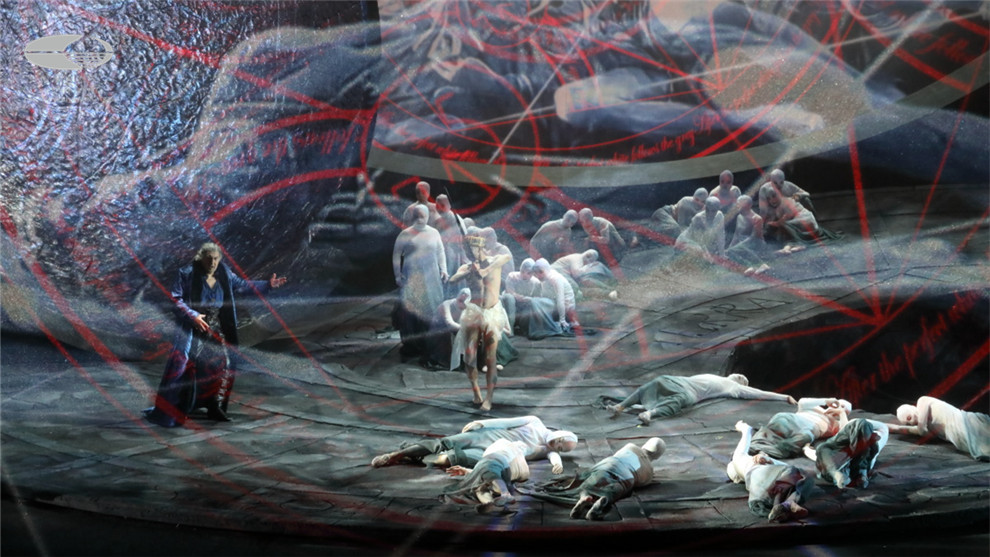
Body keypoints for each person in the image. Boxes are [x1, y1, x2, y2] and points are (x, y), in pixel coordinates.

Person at [144, 242, 287, 427]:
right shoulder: (186, 273)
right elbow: (175, 299)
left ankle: (215, 406)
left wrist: (267, 285)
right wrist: (193, 316)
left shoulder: (224, 273)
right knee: (186, 367)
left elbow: (242, 286)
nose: (212, 262)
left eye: (215, 259)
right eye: (209, 259)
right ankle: (175, 410)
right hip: (194, 328)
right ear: (200, 258)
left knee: (224, 364)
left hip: (216, 326)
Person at [522, 437, 666, 521]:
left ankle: (584, 496)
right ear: (658, 455)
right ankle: (600, 503)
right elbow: (639, 484)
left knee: (588, 482)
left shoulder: (630, 446)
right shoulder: (649, 471)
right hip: (626, 476)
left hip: (608, 464)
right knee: (615, 490)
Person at [369, 415, 578, 472]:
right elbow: (507, 422)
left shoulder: (546, 451)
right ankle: (395, 455)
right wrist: (481, 423)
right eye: (561, 441)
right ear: (560, 433)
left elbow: (554, 456)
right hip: (487, 436)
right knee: (445, 443)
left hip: (490, 453)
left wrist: (557, 463)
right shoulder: (535, 422)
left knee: (446, 460)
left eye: (561, 448)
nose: (557, 445)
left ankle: (414, 456)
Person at [448, 232, 513, 410]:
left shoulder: (495, 260)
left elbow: (506, 257)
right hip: (474, 312)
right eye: (466, 251)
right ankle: (476, 392)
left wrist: (485, 269)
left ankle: (489, 398)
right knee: (469, 355)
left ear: (480, 247)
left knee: (491, 357)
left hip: (491, 312)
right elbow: (452, 279)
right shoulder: (468, 267)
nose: (469, 254)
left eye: (471, 250)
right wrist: (467, 272)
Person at [598, 373, 796, 425]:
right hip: (679, 383)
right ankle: (622, 407)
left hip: (686, 390)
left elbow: (757, 393)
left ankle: (648, 413)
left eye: (741, 378)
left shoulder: (733, 387)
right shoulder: (719, 378)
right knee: (654, 386)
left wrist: (784, 397)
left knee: (673, 399)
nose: (738, 376)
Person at [392, 205, 448, 365]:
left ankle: (429, 343)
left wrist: (443, 269)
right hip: (412, 278)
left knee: (431, 308)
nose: (420, 218)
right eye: (418, 215)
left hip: (431, 279)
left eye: (423, 215)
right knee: (411, 311)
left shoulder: (434, 233)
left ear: (428, 216)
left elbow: (440, 252)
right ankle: (412, 345)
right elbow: (396, 255)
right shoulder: (406, 234)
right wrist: (397, 275)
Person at [728, 421, 812, 523]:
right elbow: (789, 468)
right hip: (770, 480)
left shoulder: (748, 474)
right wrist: (744, 428)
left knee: (794, 480)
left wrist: (768, 459)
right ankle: (787, 503)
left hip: (763, 492)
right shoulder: (742, 462)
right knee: (801, 477)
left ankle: (784, 504)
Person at [888, 396, 990, 461]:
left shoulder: (922, 401)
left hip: (966, 421)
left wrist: (919, 430)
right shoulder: (925, 427)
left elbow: (921, 429)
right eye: (908, 423)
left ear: (911, 408)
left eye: (909, 418)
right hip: (960, 437)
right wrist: (882, 426)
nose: (911, 423)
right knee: (984, 449)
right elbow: (899, 428)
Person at [440, 439, 530, 513]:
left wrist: (468, 471)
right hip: (501, 468)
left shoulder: (505, 445)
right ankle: (495, 501)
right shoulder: (521, 463)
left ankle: (501, 495)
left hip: (494, 462)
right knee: (484, 481)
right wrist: (467, 471)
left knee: (482, 484)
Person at [748, 398, 852, 459]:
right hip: (793, 420)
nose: (839, 408)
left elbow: (846, 432)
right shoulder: (816, 409)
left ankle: (769, 451)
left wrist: (842, 413)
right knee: (780, 419)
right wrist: (825, 400)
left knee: (804, 437)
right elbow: (802, 402)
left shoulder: (835, 424)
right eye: (840, 405)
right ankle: (759, 445)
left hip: (806, 432)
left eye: (844, 408)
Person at [803, 418, 889, 489]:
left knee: (880, 429)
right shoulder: (835, 449)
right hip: (856, 434)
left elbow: (819, 451)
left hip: (857, 431)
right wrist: (862, 475)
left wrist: (806, 449)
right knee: (880, 429)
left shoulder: (829, 451)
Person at [758, 182, 840, 252]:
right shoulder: (777, 208)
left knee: (785, 226)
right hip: (797, 223)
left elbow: (785, 219)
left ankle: (799, 244)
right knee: (783, 229)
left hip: (805, 221)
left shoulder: (786, 201)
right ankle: (787, 247)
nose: (772, 200)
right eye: (769, 199)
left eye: (774, 196)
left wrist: (773, 223)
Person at [502, 258, 564, 340]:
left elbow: (537, 298)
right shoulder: (512, 276)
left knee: (532, 304)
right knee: (509, 298)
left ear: (533, 273)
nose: (525, 275)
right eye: (522, 271)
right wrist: (517, 296)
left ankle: (529, 329)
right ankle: (510, 329)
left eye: (528, 273)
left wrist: (528, 299)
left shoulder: (536, 282)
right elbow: (509, 291)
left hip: (524, 307)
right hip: (509, 304)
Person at [422, 288, 471, 371]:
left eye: (465, 300)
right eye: (460, 299)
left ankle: (463, 362)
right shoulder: (447, 304)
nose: (462, 301)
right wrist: (465, 328)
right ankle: (441, 361)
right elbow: (449, 322)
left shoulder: (469, 309)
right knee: (446, 335)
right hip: (438, 334)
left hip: (455, 332)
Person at [726, 194, 770, 275]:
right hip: (743, 242)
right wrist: (730, 247)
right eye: (737, 204)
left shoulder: (756, 218)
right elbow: (736, 234)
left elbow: (754, 237)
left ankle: (762, 265)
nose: (737, 206)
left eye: (739, 204)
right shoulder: (739, 216)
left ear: (748, 205)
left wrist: (739, 246)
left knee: (736, 249)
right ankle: (750, 266)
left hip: (756, 243)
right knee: (730, 251)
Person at [433, 194, 468, 297]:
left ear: (448, 205)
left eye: (442, 205)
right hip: (445, 253)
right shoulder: (439, 220)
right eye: (437, 205)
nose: (439, 208)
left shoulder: (452, 218)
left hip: (453, 253)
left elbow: (460, 238)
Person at [533, 258, 579, 334]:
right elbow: (544, 295)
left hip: (566, 308)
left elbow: (561, 300)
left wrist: (562, 320)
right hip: (556, 306)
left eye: (539, 273)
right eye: (536, 273)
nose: (538, 276)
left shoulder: (555, 278)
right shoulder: (546, 279)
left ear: (544, 270)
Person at [551, 249, 618, 301]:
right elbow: (576, 274)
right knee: (574, 287)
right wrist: (589, 265)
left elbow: (578, 275)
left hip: (563, 274)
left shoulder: (581, 260)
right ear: (587, 256)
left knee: (578, 287)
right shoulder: (577, 258)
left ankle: (608, 291)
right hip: (558, 271)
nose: (588, 263)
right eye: (590, 261)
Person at [710, 170, 742, 241]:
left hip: (733, 224)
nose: (725, 185)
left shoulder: (735, 191)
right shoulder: (713, 194)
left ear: (732, 183)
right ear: (719, 182)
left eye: (728, 182)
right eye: (722, 182)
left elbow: (740, 208)